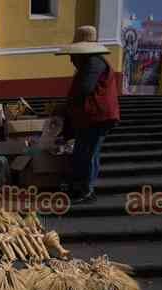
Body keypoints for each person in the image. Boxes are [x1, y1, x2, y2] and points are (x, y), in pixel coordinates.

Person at [56, 25, 121, 204]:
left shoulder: (94, 63)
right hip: (90, 116)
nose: (71, 60)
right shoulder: (90, 64)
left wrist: (66, 106)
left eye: (73, 56)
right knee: (83, 150)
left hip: (98, 116)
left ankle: (86, 190)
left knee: (89, 152)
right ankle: (79, 186)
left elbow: (84, 89)